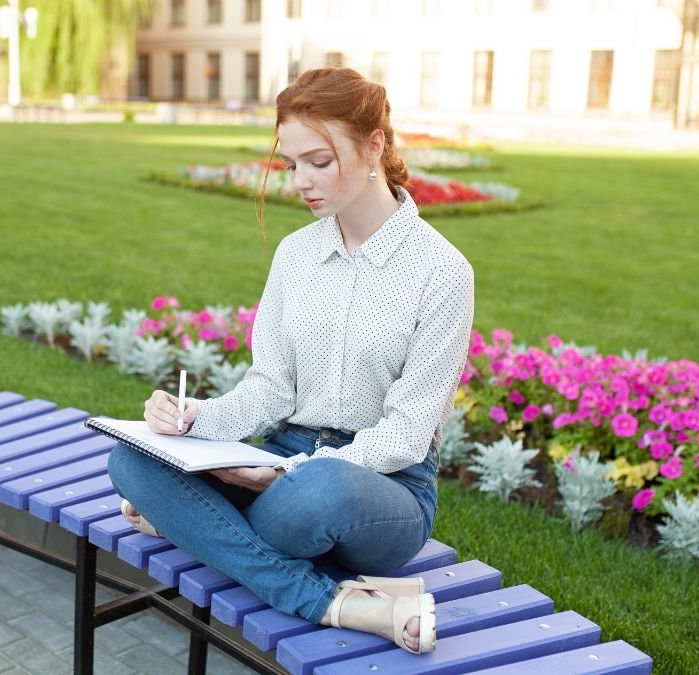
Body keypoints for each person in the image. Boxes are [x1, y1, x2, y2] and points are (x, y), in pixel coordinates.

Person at [107, 66, 474, 654]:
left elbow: (407, 435)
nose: (300, 181)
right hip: (279, 456)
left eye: (319, 162)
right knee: (133, 462)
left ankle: (194, 524)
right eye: (290, 163)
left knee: (318, 492)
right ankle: (338, 603)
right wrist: (195, 418)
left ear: (374, 144)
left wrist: (286, 475)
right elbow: (270, 388)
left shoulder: (441, 272)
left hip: (378, 489)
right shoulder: (296, 254)